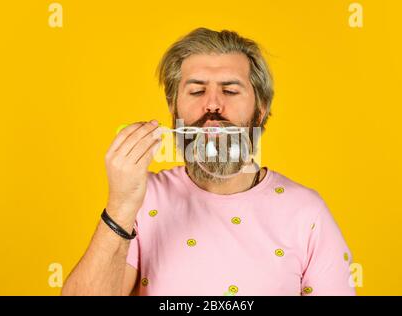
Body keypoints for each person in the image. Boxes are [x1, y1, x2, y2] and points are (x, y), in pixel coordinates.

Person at [61, 27, 355, 296]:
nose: (213, 104)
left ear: (261, 110)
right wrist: (121, 206)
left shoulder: (306, 213)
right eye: (197, 91)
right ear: (174, 109)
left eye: (230, 90)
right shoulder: (143, 200)